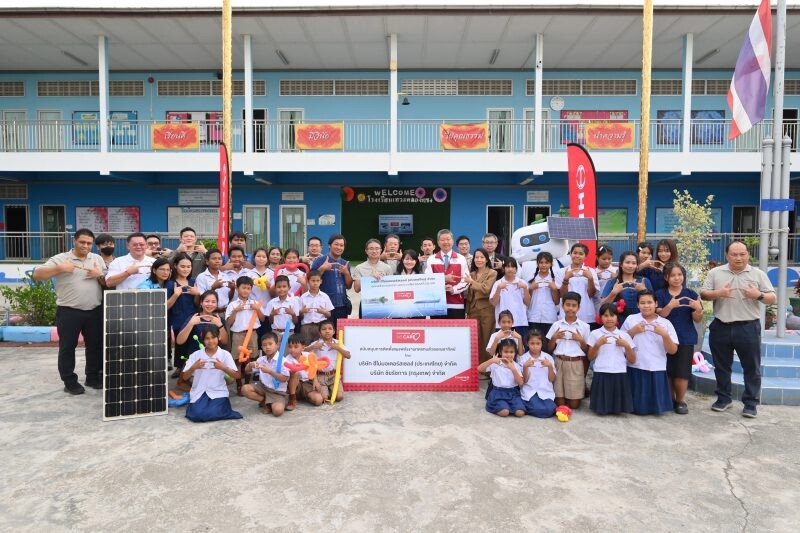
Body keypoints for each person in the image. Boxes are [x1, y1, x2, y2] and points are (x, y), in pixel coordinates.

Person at [701, 241, 775, 418]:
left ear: (748, 255)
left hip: (748, 327)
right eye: (734, 254)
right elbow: (703, 294)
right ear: (727, 255)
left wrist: (759, 295)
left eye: (742, 254)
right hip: (721, 326)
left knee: (751, 367)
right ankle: (723, 398)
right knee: (721, 366)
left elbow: (771, 298)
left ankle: (750, 403)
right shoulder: (715, 272)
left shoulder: (758, 274)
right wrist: (718, 293)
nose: (738, 257)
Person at [32, 228, 106, 394]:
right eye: (82, 242)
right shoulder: (61, 258)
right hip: (69, 312)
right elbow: (37, 274)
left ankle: (92, 377)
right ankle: (69, 381)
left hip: (94, 310)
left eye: (88, 243)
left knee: (95, 346)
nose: (85, 246)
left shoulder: (97, 259)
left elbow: (106, 281)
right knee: (67, 347)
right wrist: (60, 269)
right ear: (74, 241)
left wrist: (99, 274)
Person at [621, 290, 679, 416]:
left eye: (649, 302)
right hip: (635, 365)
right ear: (637, 305)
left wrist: (664, 335)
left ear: (656, 303)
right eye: (642, 303)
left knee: (653, 403)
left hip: (656, 366)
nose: (646, 305)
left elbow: (673, 350)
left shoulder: (665, 323)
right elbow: (620, 341)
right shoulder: (631, 319)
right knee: (637, 405)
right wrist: (633, 331)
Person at [656, 262, 703, 414]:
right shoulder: (660, 294)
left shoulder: (691, 294)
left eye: (680, 275)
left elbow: (697, 319)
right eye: (673, 275)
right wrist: (670, 306)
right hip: (664, 337)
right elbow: (660, 314)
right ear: (666, 277)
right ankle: (669, 399)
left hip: (685, 336)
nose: (677, 278)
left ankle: (681, 400)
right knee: (668, 370)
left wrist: (698, 309)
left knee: (682, 372)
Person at [181, 326, 242, 422]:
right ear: (203, 339)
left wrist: (223, 367)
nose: (210, 341)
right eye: (207, 338)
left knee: (209, 412)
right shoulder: (196, 355)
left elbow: (237, 375)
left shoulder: (225, 354)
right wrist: (194, 367)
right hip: (200, 392)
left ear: (219, 337)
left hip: (218, 392)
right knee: (197, 415)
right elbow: (184, 377)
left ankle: (220, 409)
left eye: (213, 338)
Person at [587, 303, 636, 415]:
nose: (609, 318)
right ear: (600, 317)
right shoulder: (595, 334)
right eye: (606, 315)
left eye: (612, 315)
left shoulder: (624, 335)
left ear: (617, 317)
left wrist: (627, 346)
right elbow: (590, 357)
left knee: (617, 409)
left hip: (619, 372)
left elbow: (632, 360)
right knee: (601, 409)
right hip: (601, 371)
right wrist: (597, 345)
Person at [546, 291, 590, 410]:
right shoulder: (556, 325)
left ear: (579, 307)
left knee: (574, 405)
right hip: (559, 362)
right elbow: (549, 349)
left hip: (576, 364)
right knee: (560, 403)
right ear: (562, 306)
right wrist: (554, 338)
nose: (570, 308)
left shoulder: (584, 326)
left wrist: (580, 340)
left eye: (574, 305)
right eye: (567, 305)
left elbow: (587, 351)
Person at [225, 276, 265, 394]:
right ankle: (239, 385)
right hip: (238, 335)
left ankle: (247, 383)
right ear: (237, 288)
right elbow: (228, 322)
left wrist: (257, 309)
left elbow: (262, 319)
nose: (246, 290)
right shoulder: (232, 305)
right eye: (243, 288)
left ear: (251, 289)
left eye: (248, 288)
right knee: (237, 359)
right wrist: (235, 311)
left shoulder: (255, 303)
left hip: (252, 334)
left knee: (251, 359)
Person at [241, 332, 290, 416]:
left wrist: (270, 371)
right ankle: (265, 402)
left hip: (277, 392)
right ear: (261, 347)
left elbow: (285, 378)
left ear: (277, 345)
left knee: (277, 412)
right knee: (245, 389)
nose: (267, 347)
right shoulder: (261, 359)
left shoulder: (283, 360)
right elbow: (247, 371)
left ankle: (269, 403)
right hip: (263, 387)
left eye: (270, 344)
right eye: (264, 345)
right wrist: (250, 365)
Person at [166, 253, 200, 374]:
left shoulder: (194, 282)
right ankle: (180, 368)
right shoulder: (170, 284)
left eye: (188, 266)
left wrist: (197, 294)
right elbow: (165, 306)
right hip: (177, 319)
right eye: (183, 266)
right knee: (181, 345)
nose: (186, 269)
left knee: (192, 344)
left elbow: (198, 304)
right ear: (175, 266)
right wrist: (175, 295)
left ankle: (190, 369)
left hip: (193, 318)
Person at [311, 234, 353, 330]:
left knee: (340, 335)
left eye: (341, 245)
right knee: (326, 334)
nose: (339, 247)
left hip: (342, 305)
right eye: (336, 244)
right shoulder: (320, 260)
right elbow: (311, 280)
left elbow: (349, 286)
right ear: (330, 245)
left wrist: (346, 273)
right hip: (324, 306)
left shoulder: (345, 263)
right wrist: (322, 268)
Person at [425, 229, 469, 319]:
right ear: (438, 242)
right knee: (437, 332)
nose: (445, 242)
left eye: (448, 239)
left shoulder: (461, 259)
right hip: (437, 304)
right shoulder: (431, 259)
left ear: (452, 241)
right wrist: (443, 279)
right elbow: (427, 280)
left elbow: (466, 281)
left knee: (456, 332)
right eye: (442, 240)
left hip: (456, 304)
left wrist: (454, 289)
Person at [302, 320, 350, 403]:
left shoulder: (338, 343)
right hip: (320, 376)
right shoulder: (316, 343)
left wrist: (337, 348)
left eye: (330, 329)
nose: (327, 331)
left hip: (334, 376)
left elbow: (348, 356)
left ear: (334, 331)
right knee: (324, 398)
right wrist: (313, 347)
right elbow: (303, 353)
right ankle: (322, 393)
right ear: (320, 333)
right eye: (324, 329)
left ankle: (332, 391)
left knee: (339, 397)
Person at [465, 248, 498, 365]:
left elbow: (486, 289)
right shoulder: (471, 274)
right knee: (475, 339)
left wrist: (471, 282)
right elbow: (469, 293)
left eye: (482, 257)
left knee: (487, 338)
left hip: (487, 310)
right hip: (472, 310)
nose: (479, 260)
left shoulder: (492, 272)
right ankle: (477, 366)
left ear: (486, 259)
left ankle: (487, 366)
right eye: (476, 257)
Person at [476, 338, 525, 417]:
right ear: (500, 352)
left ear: (515, 353)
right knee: (504, 412)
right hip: (498, 393)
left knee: (520, 413)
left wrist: (513, 369)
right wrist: (491, 361)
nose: (508, 354)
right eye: (506, 352)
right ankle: (500, 405)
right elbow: (479, 369)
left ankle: (508, 406)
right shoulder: (496, 364)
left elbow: (521, 383)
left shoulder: (516, 366)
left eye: (511, 352)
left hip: (513, 393)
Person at [600, 251, 651, 326]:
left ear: (637, 265)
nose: (630, 266)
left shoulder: (644, 281)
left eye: (634, 263)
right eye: (627, 262)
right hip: (618, 323)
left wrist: (644, 291)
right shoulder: (612, 282)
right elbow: (602, 305)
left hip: (641, 322)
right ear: (621, 264)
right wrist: (613, 293)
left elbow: (653, 305)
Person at [556, 243, 599, 326]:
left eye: (581, 254)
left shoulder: (591, 271)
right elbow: (562, 295)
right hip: (566, 315)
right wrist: (566, 279)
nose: (577, 256)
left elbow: (592, 294)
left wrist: (590, 279)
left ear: (585, 256)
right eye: (575, 253)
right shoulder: (561, 271)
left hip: (586, 315)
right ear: (570, 254)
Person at [518, 330, 557, 418]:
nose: (535, 346)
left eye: (538, 343)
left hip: (545, 390)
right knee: (542, 410)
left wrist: (550, 366)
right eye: (532, 343)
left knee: (550, 408)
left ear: (542, 344)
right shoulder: (523, 358)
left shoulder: (548, 357)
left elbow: (552, 379)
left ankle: (524, 406)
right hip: (530, 391)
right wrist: (525, 367)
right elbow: (524, 381)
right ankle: (524, 404)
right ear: (527, 344)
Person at [489, 257, 530, 339]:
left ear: (516, 269)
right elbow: (493, 303)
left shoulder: (522, 283)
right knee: (502, 349)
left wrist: (525, 288)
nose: (510, 269)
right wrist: (499, 289)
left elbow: (528, 302)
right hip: (502, 323)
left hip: (520, 322)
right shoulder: (498, 283)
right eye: (508, 267)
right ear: (503, 268)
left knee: (519, 348)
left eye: (513, 267)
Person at [352, 238, 393, 318]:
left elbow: (390, 289)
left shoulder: (387, 268)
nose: (374, 251)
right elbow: (356, 289)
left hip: (384, 303)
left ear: (381, 250)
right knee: (366, 329)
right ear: (366, 251)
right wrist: (369, 278)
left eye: (377, 248)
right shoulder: (359, 268)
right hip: (366, 304)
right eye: (371, 249)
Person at [526, 251, 560, 344]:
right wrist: (531, 289)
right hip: (533, 317)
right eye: (541, 262)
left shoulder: (555, 279)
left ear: (551, 264)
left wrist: (554, 289)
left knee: (547, 344)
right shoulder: (531, 278)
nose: (544, 265)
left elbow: (557, 302)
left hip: (549, 317)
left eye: (547, 262)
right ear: (537, 263)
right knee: (533, 343)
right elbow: (526, 301)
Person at [299, 270, 334, 343]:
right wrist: (302, 312)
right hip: (306, 327)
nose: (315, 283)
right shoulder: (303, 297)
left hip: (321, 327)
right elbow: (299, 315)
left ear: (321, 281)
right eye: (313, 281)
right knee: (306, 347)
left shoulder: (324, 296)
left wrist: (324, 312)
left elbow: (329, 314)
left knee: (320, 347)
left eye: (317, 281)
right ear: (308, 281)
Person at [264, 275, 301, 343]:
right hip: (275, 333)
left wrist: (292, 314)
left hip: (289, 332)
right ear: (275, 288)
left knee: (288, 353)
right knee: (276, 353)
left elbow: (296, 322)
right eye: (279, 287)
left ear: (289, 288)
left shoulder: (294, 302)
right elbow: (270, 322)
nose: (281, 289)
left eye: (284, 286)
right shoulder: (271, 303)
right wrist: (272, 314)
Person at [194, 249, 232, 315]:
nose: (217, 261)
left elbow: (229, 297)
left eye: (219, 258)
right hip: (209, 312)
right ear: (207, 261)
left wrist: (233, 288)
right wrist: (213, 288)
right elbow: (200, 298)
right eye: (214, 258)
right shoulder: (202, 277)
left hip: (225, 312)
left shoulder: (225, 276)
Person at [594, 245, 617, 311]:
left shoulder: (616, 271)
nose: (607, 261)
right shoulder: (593, 272)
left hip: (613, 304)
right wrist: (594, 279)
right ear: (597, 258)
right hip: (597, 304)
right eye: (604, 259)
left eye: (609, 259)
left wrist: (616, 278)